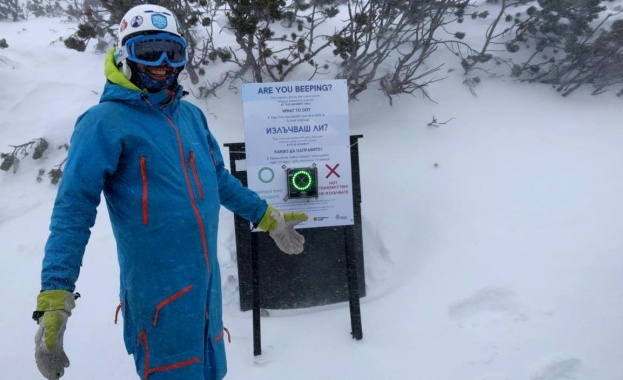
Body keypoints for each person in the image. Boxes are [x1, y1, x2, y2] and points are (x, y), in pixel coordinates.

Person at [32, 4, 308, 380]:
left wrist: (266, 216)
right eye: (148, 52)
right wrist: (55, 295)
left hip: (206, 299)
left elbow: (219, 181)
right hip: (159, 304)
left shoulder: (190, 116)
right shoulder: (103, 123)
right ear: (124, 53)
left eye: (172, 52)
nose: (162, 63)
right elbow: (73, 210)